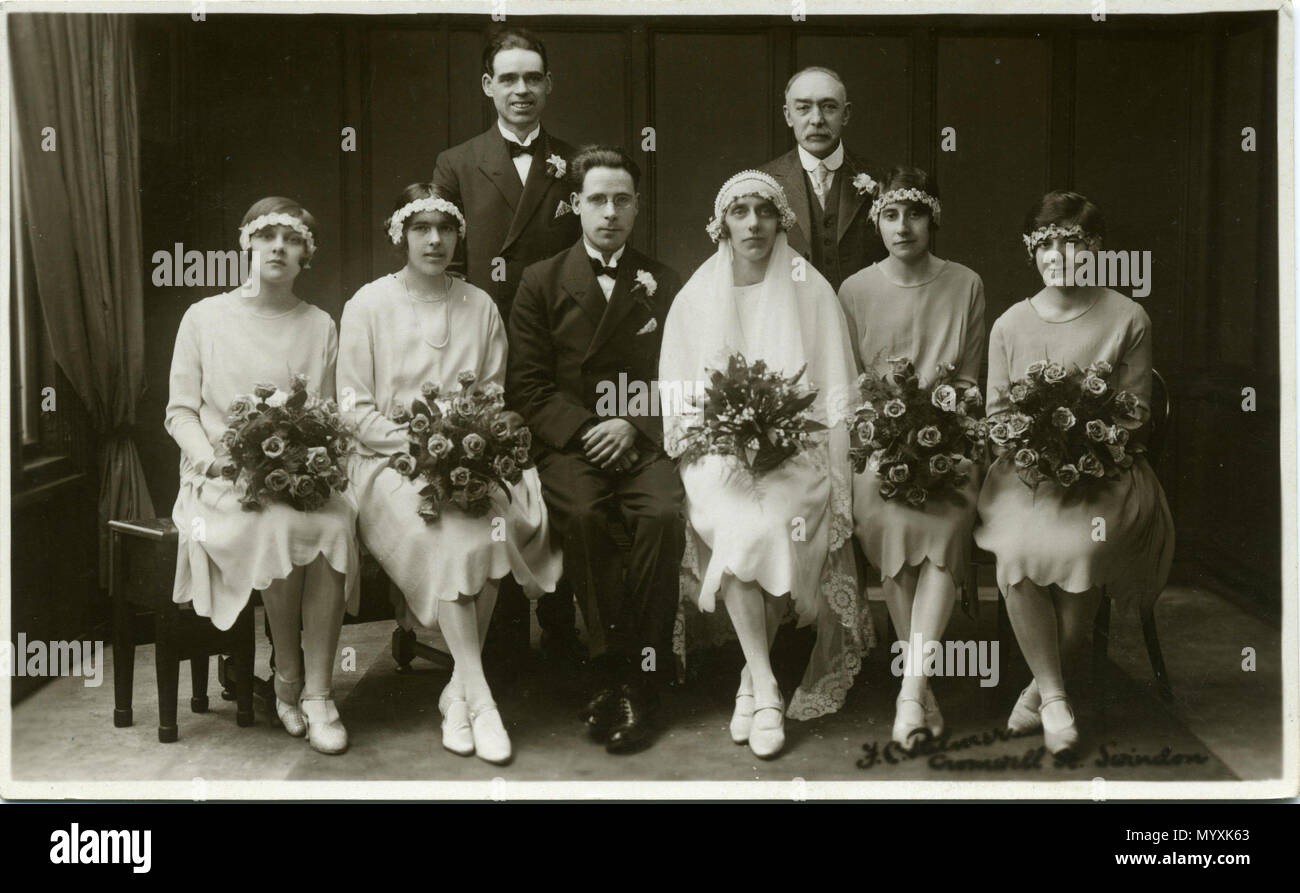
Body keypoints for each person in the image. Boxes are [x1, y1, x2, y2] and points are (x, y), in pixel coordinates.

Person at [337, 184, 562, 765]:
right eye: (421, 228)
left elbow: (490, 395)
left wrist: (467, 447)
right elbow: (354, 410)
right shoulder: (367, 305)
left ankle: (459, 692)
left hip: (466, 455)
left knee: (487, 530)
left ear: (459, 235)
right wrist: (421, 445)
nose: (434, 240)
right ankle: (481, 699)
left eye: (446, 228)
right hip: (386, 460)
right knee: (452, 537)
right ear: (401, 235)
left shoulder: (480, 305)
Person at [659, 170, 872, 760]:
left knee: (780, 526)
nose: (753, 223)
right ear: (722, 223)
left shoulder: (812, 288)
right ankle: (769, 684)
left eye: (764, 211)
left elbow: (833, 391)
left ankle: (753, 684)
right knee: (738, 525)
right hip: (716, 453)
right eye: (740, 212)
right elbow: (678, 397)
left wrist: (800, 448)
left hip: (796, 452)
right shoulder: (696, 295)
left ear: (781, 220)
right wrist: (724, 438)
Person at [974, 190, 1175, 756]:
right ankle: (1058, 696)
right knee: (1016, 545)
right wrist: (1038, 452)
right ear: (1031, 252)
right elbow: (998, 416)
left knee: (1082, 549)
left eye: (1075, 245)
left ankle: (1040, 691)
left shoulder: (1128, 316)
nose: (1060, 258)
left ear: (1097, 250)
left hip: (1106, 471)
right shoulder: (1011, 324)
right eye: (1047, 246)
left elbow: (1135, 415)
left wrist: (1090, 446)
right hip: (1025, 474)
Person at [507, 146, 684, 754]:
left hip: (640, 437)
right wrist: (588, 430)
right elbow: (527, 386)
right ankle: (617, 670)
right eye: (597, 200)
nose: (610, 212)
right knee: (582, 517)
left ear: (636, 207)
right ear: (575, 205)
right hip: (572, 443)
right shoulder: (541, 279)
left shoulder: (664, 281)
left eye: (622, 200)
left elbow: (679, 372)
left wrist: (632, 423)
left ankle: (641, 673)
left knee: (660, 516)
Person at [166, 197, 359, 754]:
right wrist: (213, 460)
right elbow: (180, 412)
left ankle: (319, 693)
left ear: (306, 255)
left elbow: (327, 412)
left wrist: (310, 462)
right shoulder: (204, 317)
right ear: (247, 243)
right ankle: (289, 678)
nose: (279, 247)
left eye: (293, 239)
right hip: (221, 478)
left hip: (298, 472)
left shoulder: (320, 324)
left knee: (335, 522)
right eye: (268, 236)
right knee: (278, 524)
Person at [433, 26, 584, 664]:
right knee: (494, 468)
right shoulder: (458, 162)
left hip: (561, 344)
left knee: (554, 475)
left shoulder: (575, 163)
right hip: (486, 339)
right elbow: (443, 258)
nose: (521, 90)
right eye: (509, 78)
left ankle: (556, 617)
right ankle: (495, 641)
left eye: (533, 78)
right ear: (488, 86)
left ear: (548, 85)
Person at [837, 166, 985, 750]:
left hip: (949, 441)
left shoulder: (966, 283)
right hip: (879, 446)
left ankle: (910, 690)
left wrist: (948, 431)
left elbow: (970, 379)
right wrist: (881, 433)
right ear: (877, 221)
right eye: (891, 215)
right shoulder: (854, 290)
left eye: (915, 214)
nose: (903, 227)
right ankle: (920, 691)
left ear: (934, 219)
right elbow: (850, 386)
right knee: (893, 529)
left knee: (945, 532)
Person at [760, 66, 887, 292]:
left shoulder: (881, 178)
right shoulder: (763, 182)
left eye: (829, 107)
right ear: (788, 115)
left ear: (845, 114)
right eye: (803, 108)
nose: (816, 119)